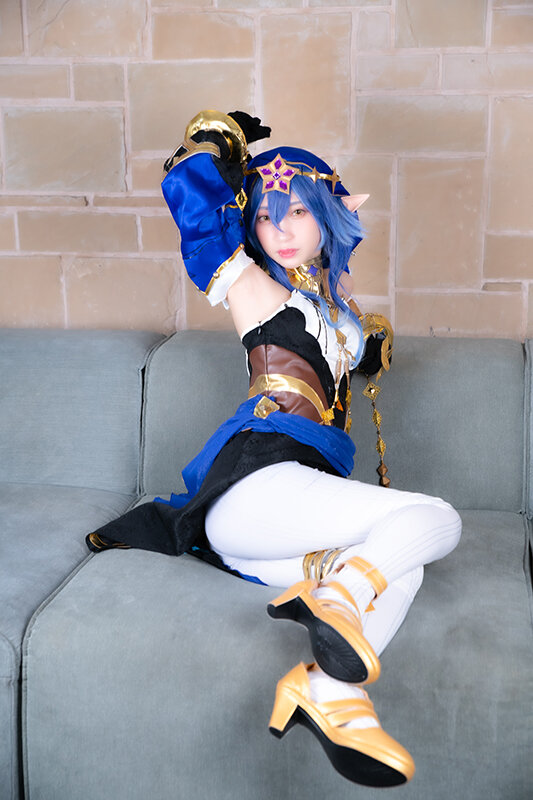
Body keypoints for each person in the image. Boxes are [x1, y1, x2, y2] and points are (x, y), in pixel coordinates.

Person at [87, 110, 462, 788]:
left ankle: (330, 694)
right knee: (437, 518)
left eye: (297, 212)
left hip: (264, 537)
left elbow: (345, 343)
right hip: (255, 483)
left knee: (403, 566)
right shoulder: (255, 291)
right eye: (263, 216)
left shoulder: (335, 308)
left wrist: (367, 341)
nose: (279, 230)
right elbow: (200, 226)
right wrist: (213, 146)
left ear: (331, 214)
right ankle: (340, 599)